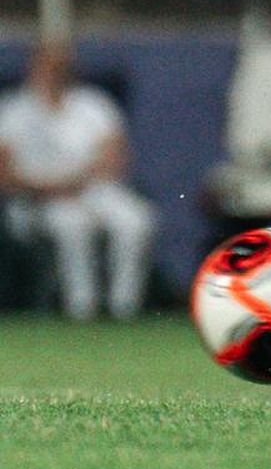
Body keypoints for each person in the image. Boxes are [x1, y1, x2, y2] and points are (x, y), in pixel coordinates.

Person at [0, 43, 157, 319]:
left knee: (136, 221)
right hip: (38, 197)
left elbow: (115, 156)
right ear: (33, 68)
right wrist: (47, 188)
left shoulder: (94, 104)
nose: (56, 73)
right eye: (49, 66)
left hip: (93, 188)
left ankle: (124, 306)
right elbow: (5, 171)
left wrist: (79, 181)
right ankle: (82, 307)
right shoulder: (14, 111)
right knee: (72, 225)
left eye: (62, 66)